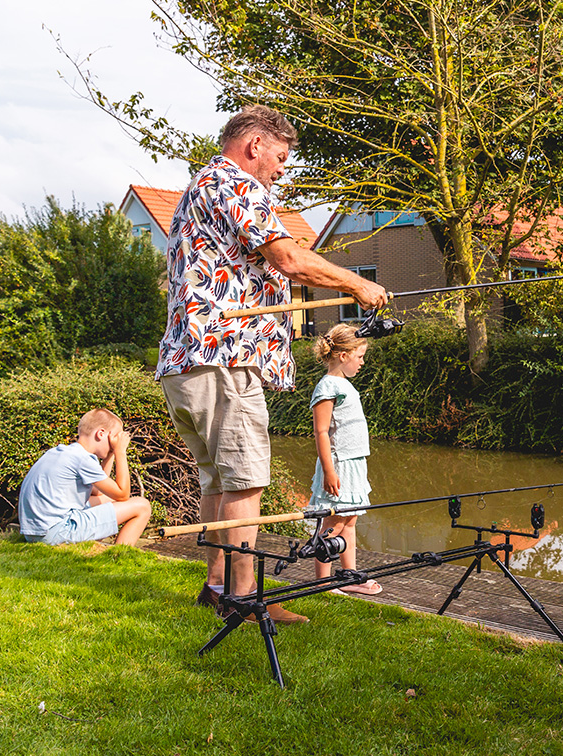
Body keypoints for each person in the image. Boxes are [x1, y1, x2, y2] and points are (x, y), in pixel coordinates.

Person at [156, 105, 388, 624]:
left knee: (218, 481)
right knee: (244, 481)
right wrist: (357, 284)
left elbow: (274, 259)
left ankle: (218, 586)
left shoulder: (202, 187)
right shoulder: (234, 183)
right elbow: (288, 259)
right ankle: (246, 596)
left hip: (189, 359)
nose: (282, 169)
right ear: (255, 144)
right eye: (280, 157)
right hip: (224, 357)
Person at [307, 324, 382, 595]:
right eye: (359, 356)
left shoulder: (344, 385)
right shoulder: (328, 386)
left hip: (355, 463)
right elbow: (321, 431)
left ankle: (350, 577)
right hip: (338, 465)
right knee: (333, 523)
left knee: (350, 521)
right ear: (343, 355)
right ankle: (323, 583)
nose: (362, 362)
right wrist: (329, 471)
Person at [18, 408, 152, 547]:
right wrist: (120, 452)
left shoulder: (62, 451)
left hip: (36, 533)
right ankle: (119, 556)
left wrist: (111, 453)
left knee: (108, 499)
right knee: (142, 506)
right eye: (114, 438)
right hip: (56, 533)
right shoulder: (82, 459)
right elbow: (123, 495)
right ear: (101, 434)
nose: (115, 442)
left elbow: (99, 492)